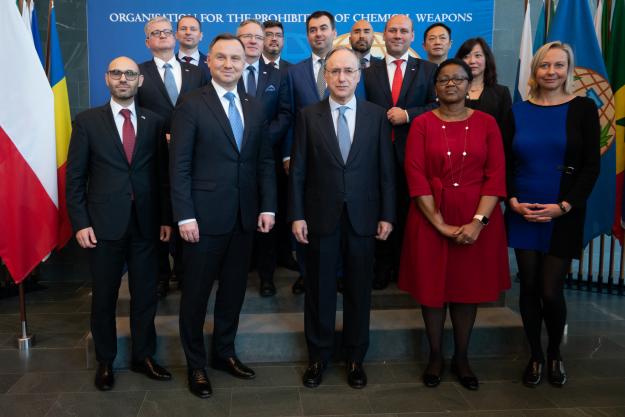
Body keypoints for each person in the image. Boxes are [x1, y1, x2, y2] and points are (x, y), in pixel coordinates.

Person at [170, 33, 276, 399]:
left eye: (236, 58)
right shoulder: (191, 104)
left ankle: (224, 353)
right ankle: (196, 365)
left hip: (245, 217)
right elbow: (179, 165)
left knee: (233, 293)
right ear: (209, 62)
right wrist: (184, 215)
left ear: (245, 62)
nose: (229, 64)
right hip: (202, 219)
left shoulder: (254, 104)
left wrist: (268, 205)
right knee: (196, 295)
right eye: (221, 58)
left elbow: (263, 161)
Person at [398, 58, 510, 391]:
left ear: (469, 83)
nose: (450, 84)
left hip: (477, 217)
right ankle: (435, 356)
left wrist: (477, 222)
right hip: (429, 215)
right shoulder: (421, 124)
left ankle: (462, 357)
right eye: (443, 79)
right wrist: (440, 224)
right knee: (432, 293)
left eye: (457, 78)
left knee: (466, 291)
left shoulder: (488, 123)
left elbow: (496, 176)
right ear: (435, 87)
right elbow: (415, 175)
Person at [289, 47, 396, 389]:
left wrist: (387, 214)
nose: (341, 78)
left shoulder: (376, 115)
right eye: (335, 71)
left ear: (359, 75)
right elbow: (299, 172)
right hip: (320, 218)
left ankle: (354, 357)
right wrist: (297, 216)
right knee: (319, 290)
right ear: (326, 76)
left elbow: (385, 171)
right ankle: (318, 356)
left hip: (364, 218)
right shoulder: (308, 116)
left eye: (348, 71)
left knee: (359, 291)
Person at [66, 56, 172, 391]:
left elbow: (163, 177)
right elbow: (75, 178)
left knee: (145, 296)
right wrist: (80, 222)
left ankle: (143, 356)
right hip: (102, 227)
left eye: (129, 74)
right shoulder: (87, 122)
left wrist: (167, 218)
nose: (123, 78)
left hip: (146, 225)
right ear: (106, 79)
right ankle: (106, 360)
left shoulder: (154, 122)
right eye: (116, 73)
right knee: (105, 298)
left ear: (140, 81)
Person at [503, 41, 600, 388]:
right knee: (528, 286)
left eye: (559, 66)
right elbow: (505, 163)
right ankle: (535, 354)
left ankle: (555, 351)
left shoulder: (584, 109)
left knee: (550, 289)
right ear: (535, 70)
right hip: (522, 209)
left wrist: (564, 206)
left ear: (568, 70)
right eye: (545, 65)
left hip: (564, 211)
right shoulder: (517, 111)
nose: (551, 72)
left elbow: (591, 166)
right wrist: (512, 199)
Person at [363, 14, 437, 290]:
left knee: (409, 214)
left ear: (412, 36)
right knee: (380, 210)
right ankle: (381, 268)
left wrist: (408, 114)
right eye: (392, 31)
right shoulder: (369, 72)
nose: (397, 35)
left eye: (403, 31)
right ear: (384, 35)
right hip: (376, 154)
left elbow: (436, 107)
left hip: (414, 156)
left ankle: (406, 269)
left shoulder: (428, 70)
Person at [137, 16, 207, 297]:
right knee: (157, 216)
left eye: (167, 31)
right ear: (148, 41)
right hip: (152, 157)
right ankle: (160, 275)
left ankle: (185, 271)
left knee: (187, 212)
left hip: (191, 157)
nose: (163, 36)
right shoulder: (138, 73)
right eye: (157, 33)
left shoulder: (196, 72)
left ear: (175, 37)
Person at [283, 11, 338, 294]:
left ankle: (339, 274)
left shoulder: (351, 68)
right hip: (305, 159)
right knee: (305, 216)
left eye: (323, 28)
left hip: (343, 160)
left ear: (333, 32)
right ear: (307, 35)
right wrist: (287, 155)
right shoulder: (294, 72)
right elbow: (290, 116)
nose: (318, 34)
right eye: (313, 30)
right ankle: (306, 273)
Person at [237, 19, 293, 296]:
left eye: (257, 37)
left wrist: (259, 141)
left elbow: (285, 114)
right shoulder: (225, 71)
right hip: (231, 161)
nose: (252, 41)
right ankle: (239, 267)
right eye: (246, 36)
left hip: (265, 158)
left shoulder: (278, 75)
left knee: (268, 214)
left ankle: (267, 276)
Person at [455, 37, 511, 131]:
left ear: (487, 59)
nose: (472, 61)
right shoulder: (452, 91)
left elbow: (506, 132)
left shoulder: (501, 93)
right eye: (466, 56)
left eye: (478, 55)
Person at [175, 15, 210, 79]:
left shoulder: (211, 64)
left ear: (201, 36)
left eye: (193, 29)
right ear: (176, 35)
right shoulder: (168, 64)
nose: (188, 32)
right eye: (183, 29)